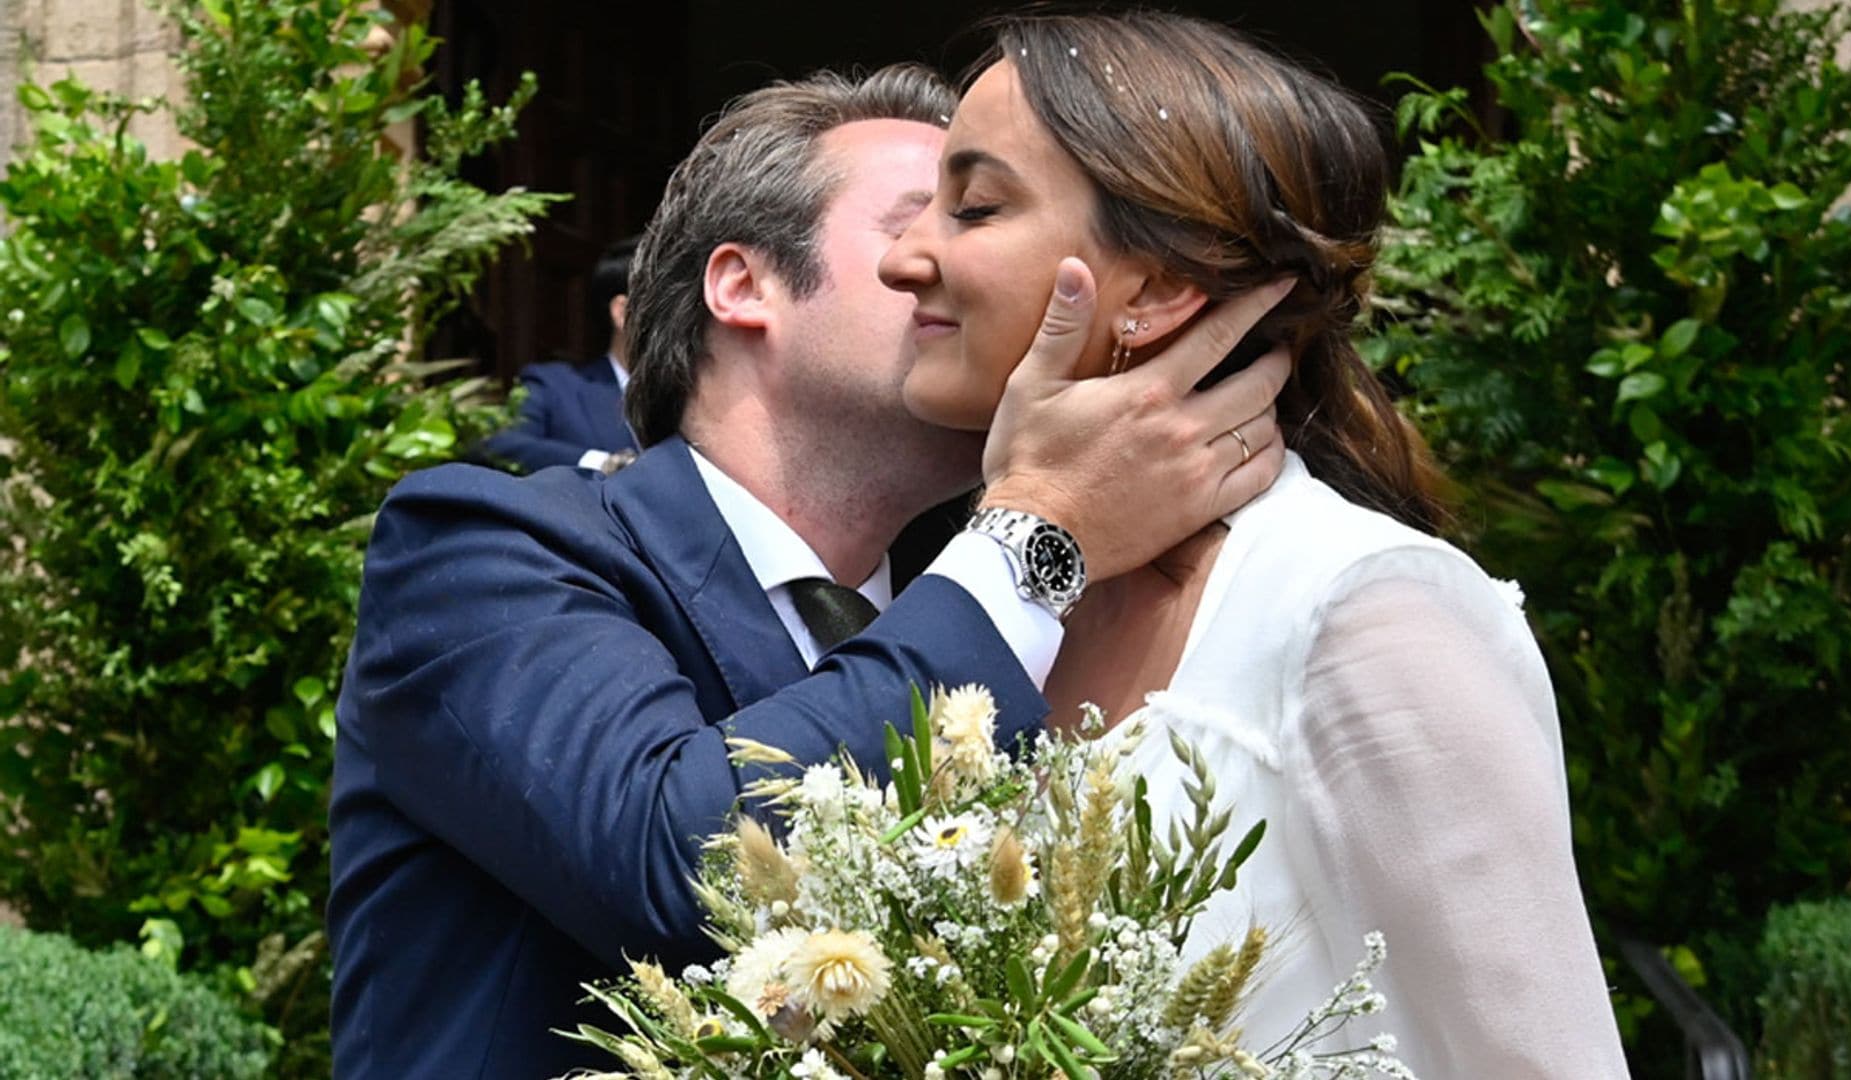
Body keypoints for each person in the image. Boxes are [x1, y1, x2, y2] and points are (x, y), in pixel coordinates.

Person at [328, 64, 1293, 1079]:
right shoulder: (477, 547)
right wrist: (1040, 533)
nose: (950, 266)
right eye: (930, 219)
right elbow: (684, 865)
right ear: (744, 286)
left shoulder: (1013, 614)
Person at [878, 12, 1631, 1077]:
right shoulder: (998, 601)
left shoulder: (1366, 612)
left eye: (977, 206)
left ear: (1157, 290)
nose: (905, 258)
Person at [482, 236, 643, 474]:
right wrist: (601, 464)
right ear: (623, 313)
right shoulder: (555, 387)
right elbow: (497, 445)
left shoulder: (699, 395)